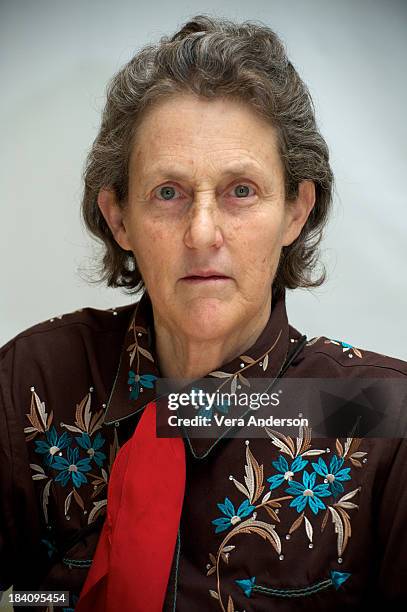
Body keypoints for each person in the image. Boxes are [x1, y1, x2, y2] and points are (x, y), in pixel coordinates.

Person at [1, 13, 406, 612]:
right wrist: (44, 603)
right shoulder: (32, 381)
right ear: (119, 218)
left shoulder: (380, 417)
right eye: (169, 192)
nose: (202, 232)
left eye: (241, 191)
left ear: (296, 210)